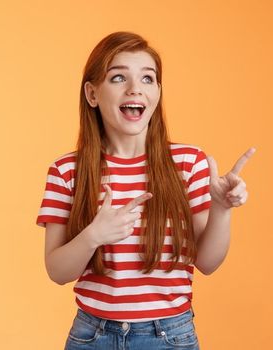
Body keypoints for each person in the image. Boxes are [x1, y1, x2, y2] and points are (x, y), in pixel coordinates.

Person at [36, 31, 255, 349]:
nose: (135, 88)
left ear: (157, 92)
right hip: (92, 336)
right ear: (92, 94)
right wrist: (94, 235)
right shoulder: (66, 171)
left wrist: (221, 209)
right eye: (118, 77)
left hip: (169, 336)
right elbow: (57, 271)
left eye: (148, 78)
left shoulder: (187, 163)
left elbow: (208, 263)